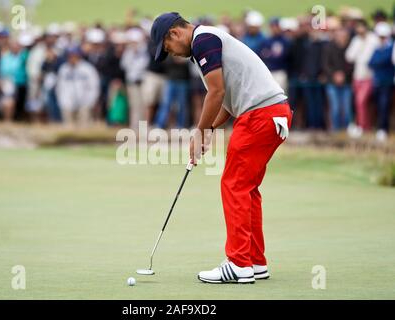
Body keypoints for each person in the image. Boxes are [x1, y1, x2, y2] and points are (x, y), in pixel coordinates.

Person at [151, 12, 292, 284]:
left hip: (259, 116)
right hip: (272, 113)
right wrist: (210, 131)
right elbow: (226, 99)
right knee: (247, 189)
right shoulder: (209, 40)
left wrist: (199, 132)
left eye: (167, 48)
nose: (171, 54)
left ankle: (238, 264)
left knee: (234, 185)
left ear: (174, 34)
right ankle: (254, 261)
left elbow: (215, 93)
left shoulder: (204, 40)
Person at [345, 19, 379, 133]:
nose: (359, 30)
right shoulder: (356, 40)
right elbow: (349, 56)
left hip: (370, 76)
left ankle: (363, 126)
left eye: (360, 27)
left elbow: (376, 54)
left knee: (361, 101)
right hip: (357, 76)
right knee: (358, 103)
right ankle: (363, 125)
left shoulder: (373, 39)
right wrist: (359, 47)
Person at [56, 46, 100, 127]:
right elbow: (59, 87)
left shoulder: (87, 68)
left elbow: (94, 86)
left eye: (74, 55)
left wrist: (91, 100)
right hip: (67, 103)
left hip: (84, 102)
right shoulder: (64, 69)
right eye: (69, 56)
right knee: (68, 128)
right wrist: (62, 101)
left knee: (83, 129)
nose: (72, 58)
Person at [322, 27, 354, 131]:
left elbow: (352, 63)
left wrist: (344, 74)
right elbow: (325, 64)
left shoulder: (350, 47)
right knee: (335, 108)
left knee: (346, 108)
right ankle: (335, 130)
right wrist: (334, 75)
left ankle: (346, 129)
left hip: (347, 82)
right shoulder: (329, 47)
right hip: (332, 82)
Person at [369, 22, 394, 142]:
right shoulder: (378, 48)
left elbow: (387, 61)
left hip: (388, 82)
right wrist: (380, 62)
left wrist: (380, 62)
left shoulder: (391, 47)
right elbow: (371, 62)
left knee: (384, 105)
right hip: (378, 81)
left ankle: (383, 128)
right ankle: (379, 127)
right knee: (378, 105)